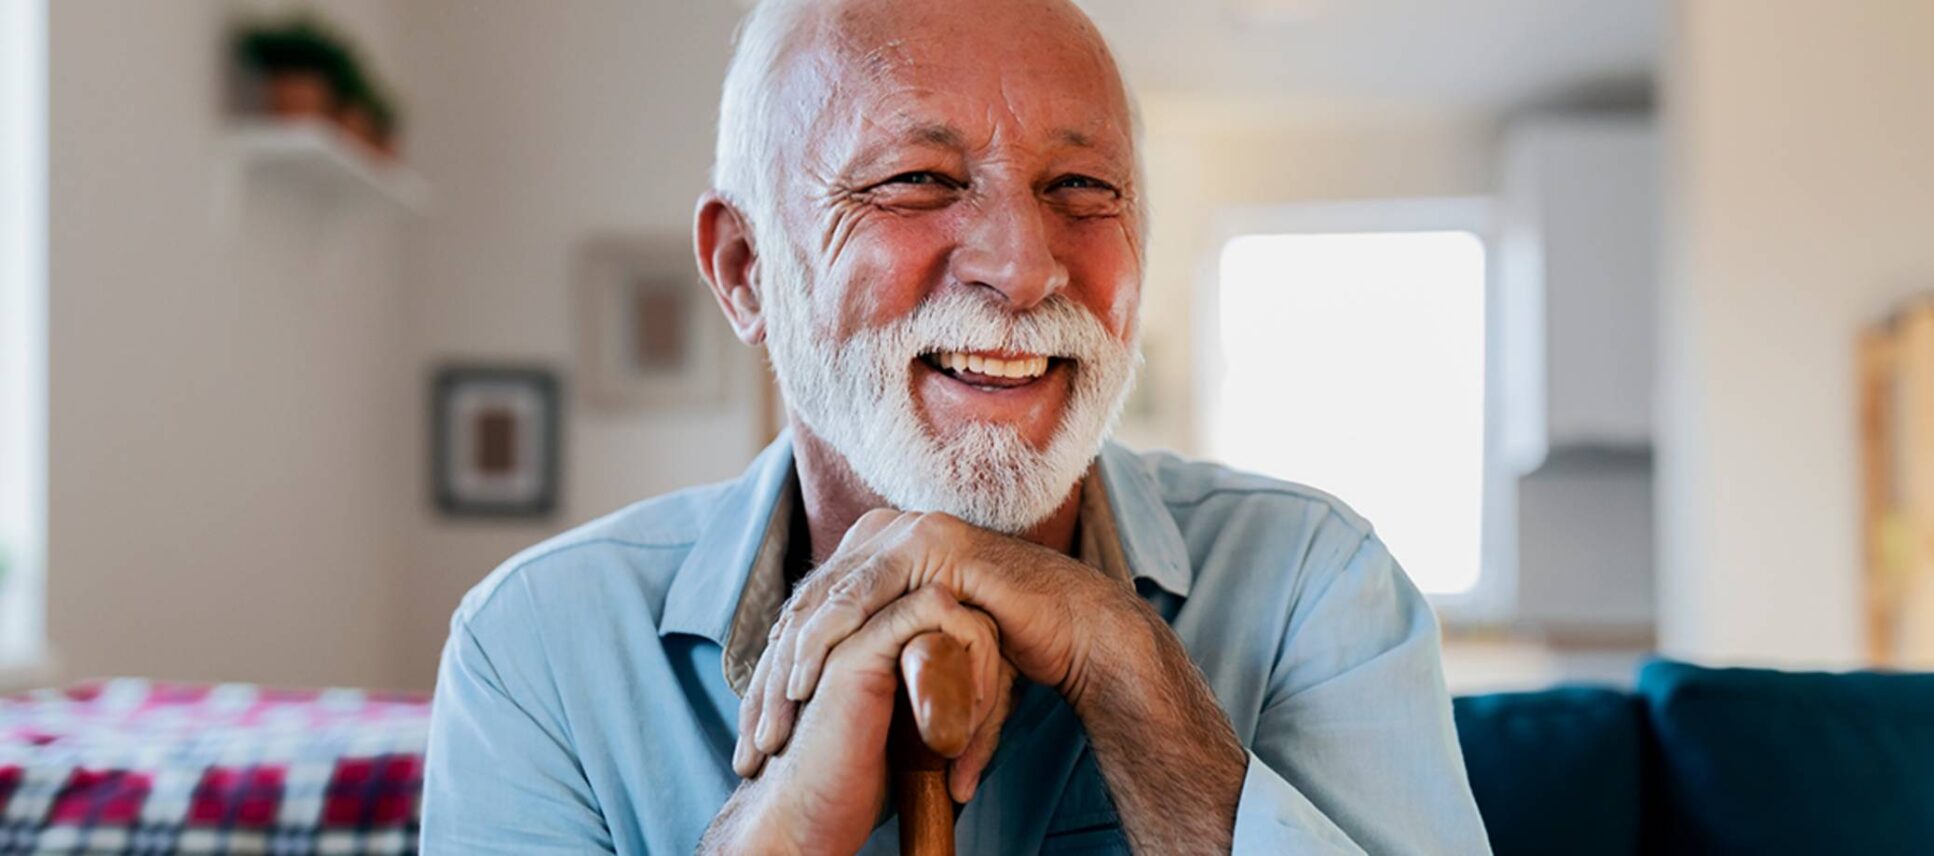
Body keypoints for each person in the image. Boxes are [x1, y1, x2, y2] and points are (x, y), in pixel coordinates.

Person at [421, 0, 1491, 852]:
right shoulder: (539, 647)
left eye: (1081, 185)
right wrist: (782, 833)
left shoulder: (1314, 581)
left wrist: (1127, 667)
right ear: (746, 271)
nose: (1024, 267)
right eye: (917, 181)